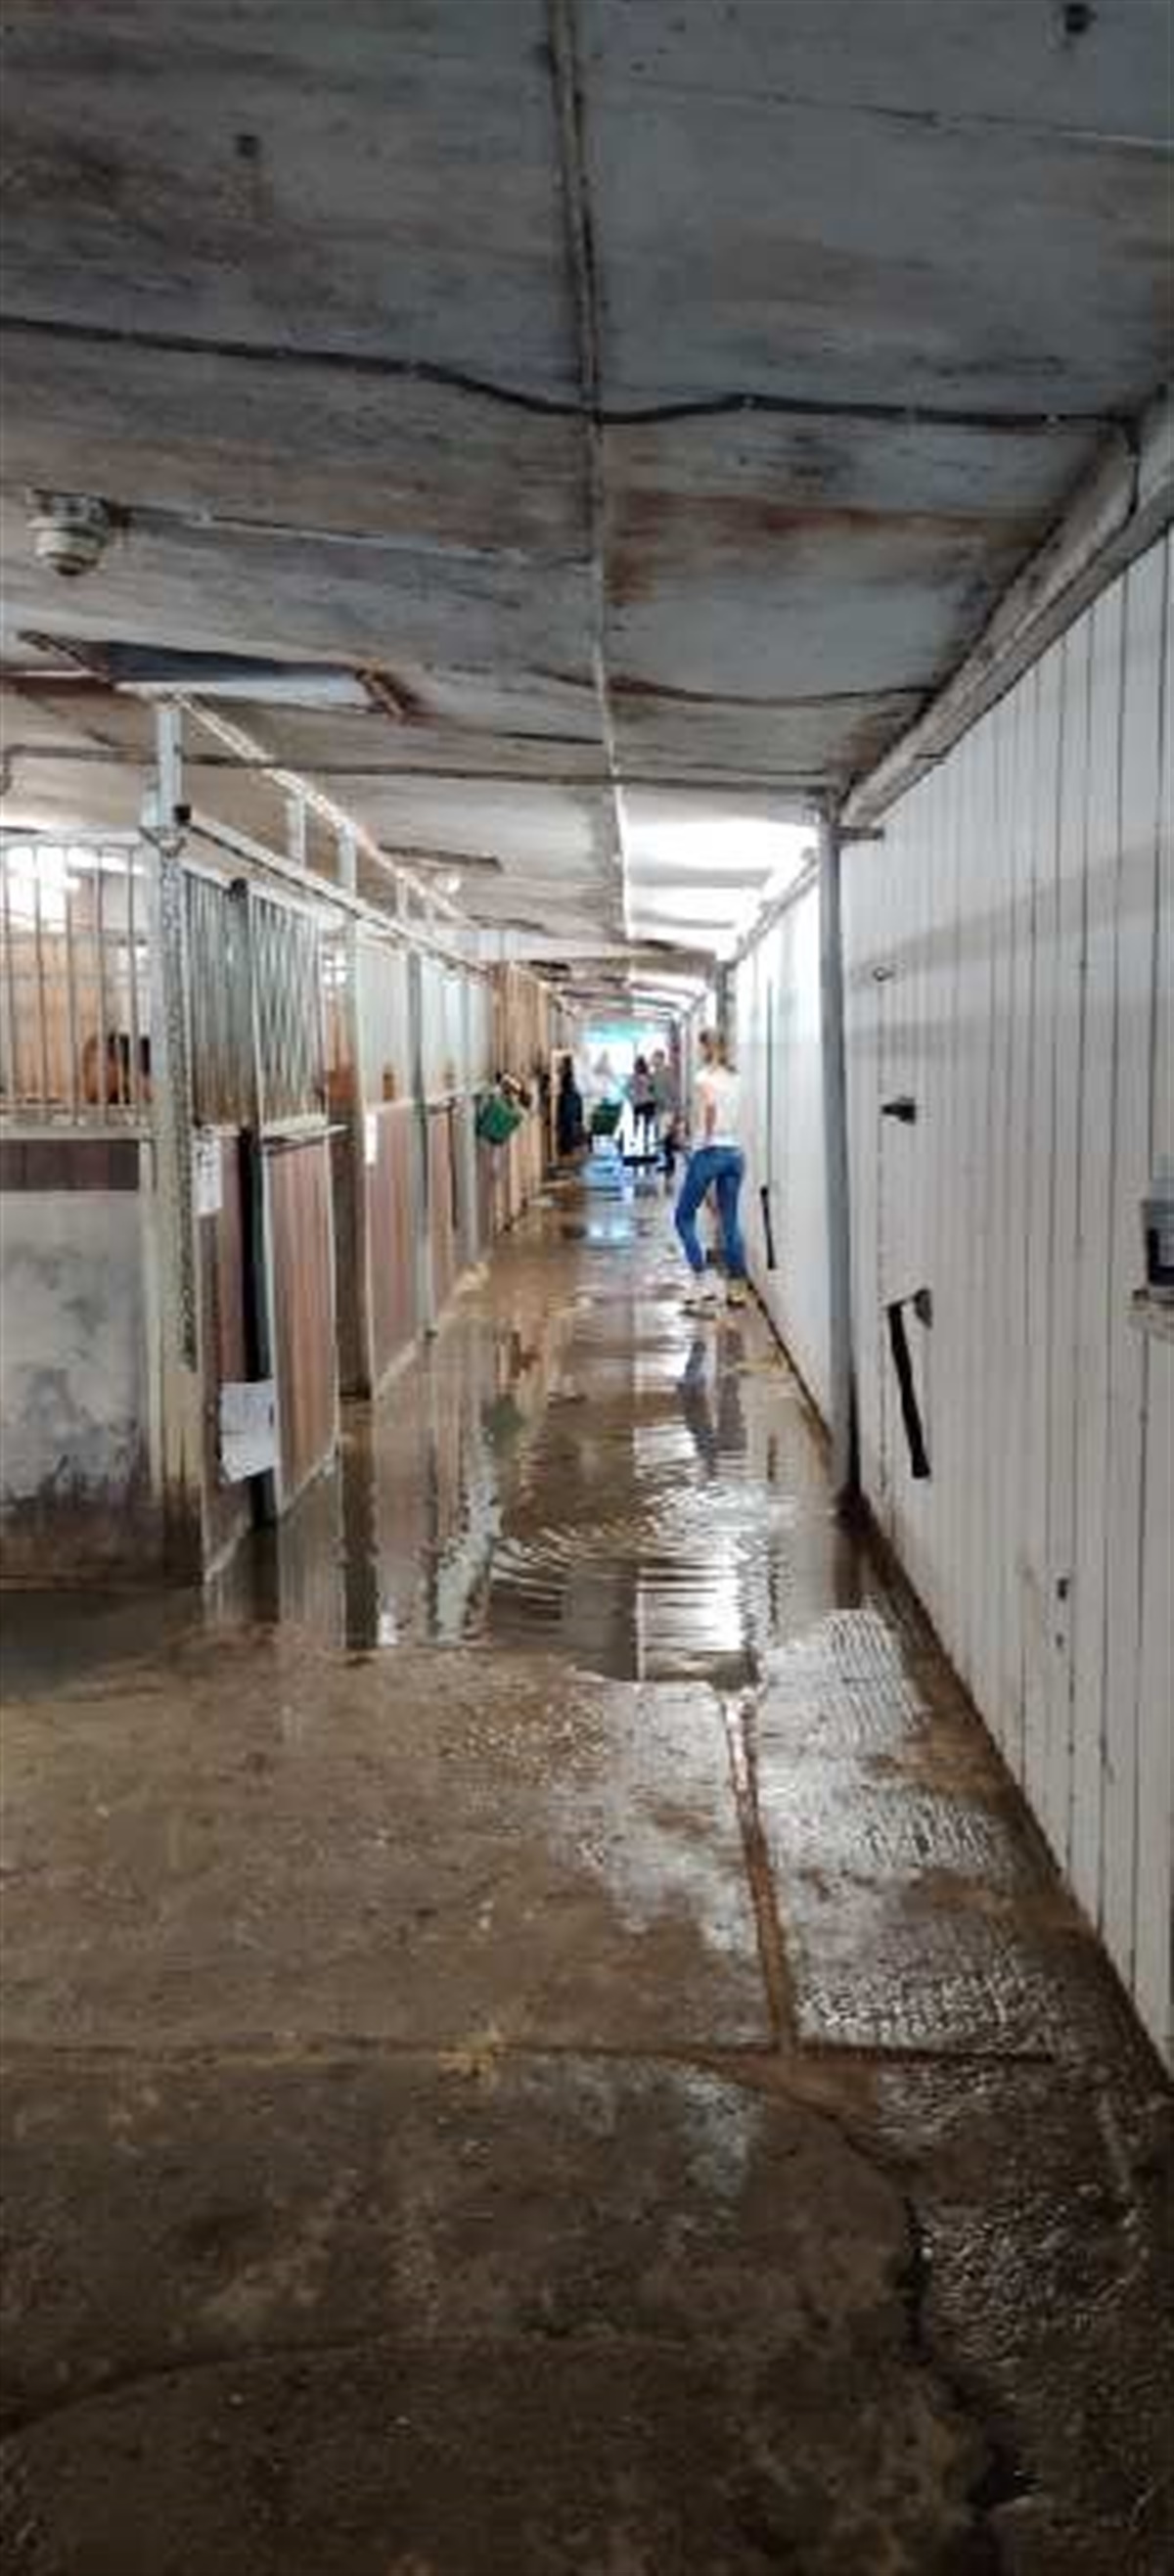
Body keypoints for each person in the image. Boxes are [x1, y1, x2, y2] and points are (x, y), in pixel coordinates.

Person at [674, 1028, 746, 1312]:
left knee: (683, 1216)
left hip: (711, 1151)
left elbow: (711, 1107)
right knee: (730, 1222)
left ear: (706, 1048)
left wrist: (702, 1140)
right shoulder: (736, 1077)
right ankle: (737, 1289)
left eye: (701, 1046)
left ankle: (700, 1280)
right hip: (735, 1153)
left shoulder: (703, 1077)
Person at [652, 1046, 679, 1177]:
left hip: (668, 1110)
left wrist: (676, 1111)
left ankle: (670, 1165)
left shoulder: (668, 1073)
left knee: (667, 1138)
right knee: (663, 1139)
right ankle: (667, 1163)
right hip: (660, 1110)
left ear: (661, 1059)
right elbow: (655, 1091)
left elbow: (674, 1092)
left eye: (654, 1058)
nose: (652, 1060)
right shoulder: (655, 1074)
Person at [555, 1052, 584, 1160]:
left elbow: (561, 1110)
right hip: (570, 1120)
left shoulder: (566, 1095)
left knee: (567, 1135)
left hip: (568, 1121)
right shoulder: (573, 1095)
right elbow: (578, 1110)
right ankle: (567, 1152)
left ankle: (566, 1152)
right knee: (568, 1135)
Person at [627, 1053, 657, 1157]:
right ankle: (639, 1139)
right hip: (643, 1101)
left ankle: (642, 1139)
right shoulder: (639, 1077)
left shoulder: (646, 1077)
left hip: (644, 1101)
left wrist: (632, 1098)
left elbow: (653, 1088)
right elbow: (629, 1089)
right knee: (641, 1122)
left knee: (643, 1122)